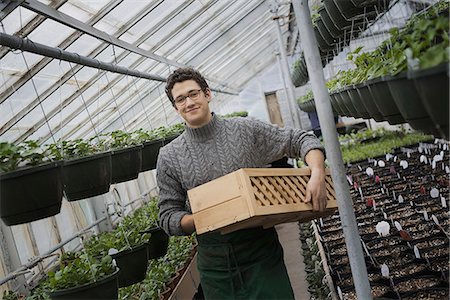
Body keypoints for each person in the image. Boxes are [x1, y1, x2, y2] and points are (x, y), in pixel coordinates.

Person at [156, 68, 327, 300]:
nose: (189, 102)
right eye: (181, 99)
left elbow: (300, 139)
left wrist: (316, 173)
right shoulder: (169, 156)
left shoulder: (244, 130)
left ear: (207, 94)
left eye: (193, 94)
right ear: (176, 108)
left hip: (261, 255)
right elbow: (167, 215)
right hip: (216, 267)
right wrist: (204, 218)